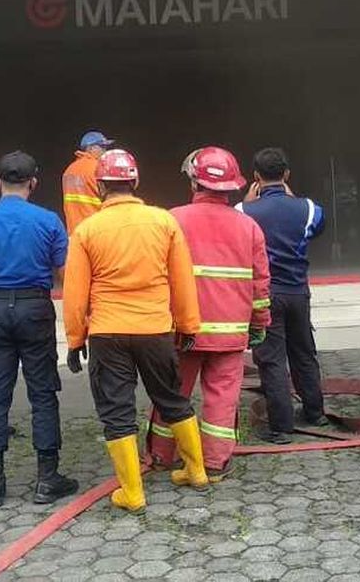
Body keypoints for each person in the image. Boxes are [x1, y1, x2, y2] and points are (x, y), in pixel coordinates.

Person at [62, 148, 207, 514]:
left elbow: (75, 293)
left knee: (117, 411)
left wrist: (75, 339)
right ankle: (197, 471)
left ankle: (133, 493)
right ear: (135, 181)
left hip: (107, 334)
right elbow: (182, 279)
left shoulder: (86, 230)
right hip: (155, 329)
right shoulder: (162, 222)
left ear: (100, 186)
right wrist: (188, 324)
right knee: (172, 399)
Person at [0, 150, 79, 509]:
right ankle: (46, 479)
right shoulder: (49, 221)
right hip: (36, 309)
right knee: (42, 393)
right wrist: (75, 322)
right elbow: (65, 275)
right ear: (33, 183)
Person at [146, 147, 270, 480]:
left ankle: (161, 455)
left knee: (173, 394)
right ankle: (214, 464)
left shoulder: (170, 220)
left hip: (181, 331)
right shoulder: (249, 228)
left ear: (194, 184)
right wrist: (259, 325)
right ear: (232, 187)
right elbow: (260, 286)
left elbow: (154, 276)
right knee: (221, 398)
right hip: (229, 334)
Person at [239, 147, 327, 443]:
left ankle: (281, 427)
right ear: (287, 174)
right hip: (299, 292)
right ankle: (316, 413)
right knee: (304, 352)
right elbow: (315, 229)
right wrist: (292, 201)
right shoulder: (310, 208)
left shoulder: (243, 213)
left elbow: (236, 236)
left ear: (255, 177)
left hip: (265, 294)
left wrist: (247, 203)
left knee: (272, 359)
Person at [61, 130, 115, 233]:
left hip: (74, 232)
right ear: (90, 148)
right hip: (96, 232)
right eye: (102, 147)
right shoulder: (98, 168)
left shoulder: (68, 171)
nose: (105, 151)